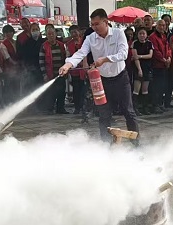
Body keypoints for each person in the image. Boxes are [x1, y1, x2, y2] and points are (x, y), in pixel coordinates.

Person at [59, 9, 139, 143]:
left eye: (97, 24)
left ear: (105, 22)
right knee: (104, 114)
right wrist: (68, 65)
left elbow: (123, 54)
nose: (94, 27)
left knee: (128, 111)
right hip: (102, 81)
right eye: (92, 24)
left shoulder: (118, 34)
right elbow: (81, 53)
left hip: (120, 78)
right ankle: (105, 145)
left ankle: (136, 144)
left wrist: (105, 59)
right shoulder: (90, 38)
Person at [39, 24, 68, 114]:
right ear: (46, 36)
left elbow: (65, 58)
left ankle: (60, 108)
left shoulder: (61, 45)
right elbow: (41, 61)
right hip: (50, 73)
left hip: (61, 73)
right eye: (49, 34)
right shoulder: (44, 46)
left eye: (52, 34)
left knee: (62, 91)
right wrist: (44, 74)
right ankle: (49, 109)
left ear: (55, 34)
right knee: (51, 92)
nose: (51, 36)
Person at [149, 19, 171, 113]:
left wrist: (169, 57)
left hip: (164, 65)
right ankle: (155, 105)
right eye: (160, 25)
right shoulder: (153, 37)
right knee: (156, 86)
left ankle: (160, 103)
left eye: (164, 25)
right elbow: (155, 51)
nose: (162, 27)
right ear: (156, 26)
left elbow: (168, 48)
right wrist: (163, 60)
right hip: (157, 65)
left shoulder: (164, 36)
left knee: (162, 85)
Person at [65, 25, 88, 116]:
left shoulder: (85, 42)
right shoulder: (69, 44)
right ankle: (77, 107)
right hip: (75, 71)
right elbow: (68, 56)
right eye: (72, 32)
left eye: (75, 32)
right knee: (76, 90)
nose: (74, 34)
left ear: (79, 32)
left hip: (84, 70)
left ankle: (85, 108)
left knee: (84, 90)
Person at [132, 27, 154, 114]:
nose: (142, 35)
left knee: (145, 89)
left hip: (147, 68)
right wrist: (139, 69)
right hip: (138, 68)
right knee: (136, 89)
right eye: (140, 33)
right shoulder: (135, 44)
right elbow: (135, 57)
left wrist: (140, 56)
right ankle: (135, 108)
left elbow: (150, 55)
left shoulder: (149, 43)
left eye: (143, 33)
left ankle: (145, 108)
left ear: (146, 35)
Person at [0, 24, 19, 105]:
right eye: (6, 32)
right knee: (9, 87)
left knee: (16, 87)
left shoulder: (16, 42)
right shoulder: (3, 44)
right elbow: (7, 58)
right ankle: (8, 103)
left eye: (10, 32)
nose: (8, 34)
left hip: (17, 70)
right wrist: (15, 63)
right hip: (8, 70)